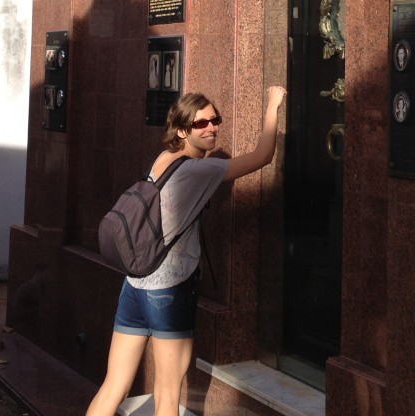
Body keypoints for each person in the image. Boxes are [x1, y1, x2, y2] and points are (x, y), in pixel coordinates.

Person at [86, 85, 287, 416]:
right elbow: (262, 156)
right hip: (169, 292)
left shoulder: (164, 160)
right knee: (168, 393)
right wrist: (272, 105)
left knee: (114, 385)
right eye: (201, 124)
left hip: (134, 285)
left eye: (215, 120)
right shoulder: (197, 172)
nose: (212, 128)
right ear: (182, 130)